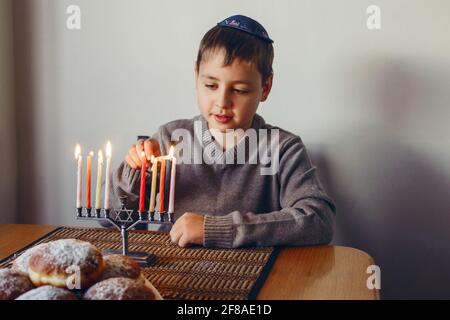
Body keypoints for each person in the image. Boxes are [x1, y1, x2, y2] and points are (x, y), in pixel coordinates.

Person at [109, 15, 336, 248]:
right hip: (172, 271)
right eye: (211, 86)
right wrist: (135, 173)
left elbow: (318, 220)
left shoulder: (282, 148)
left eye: (239, 90)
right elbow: (115, 223)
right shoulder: (170, 138)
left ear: (265, 87)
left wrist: (215, 229)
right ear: (196, 75)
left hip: (253, 276)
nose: (222, 101)